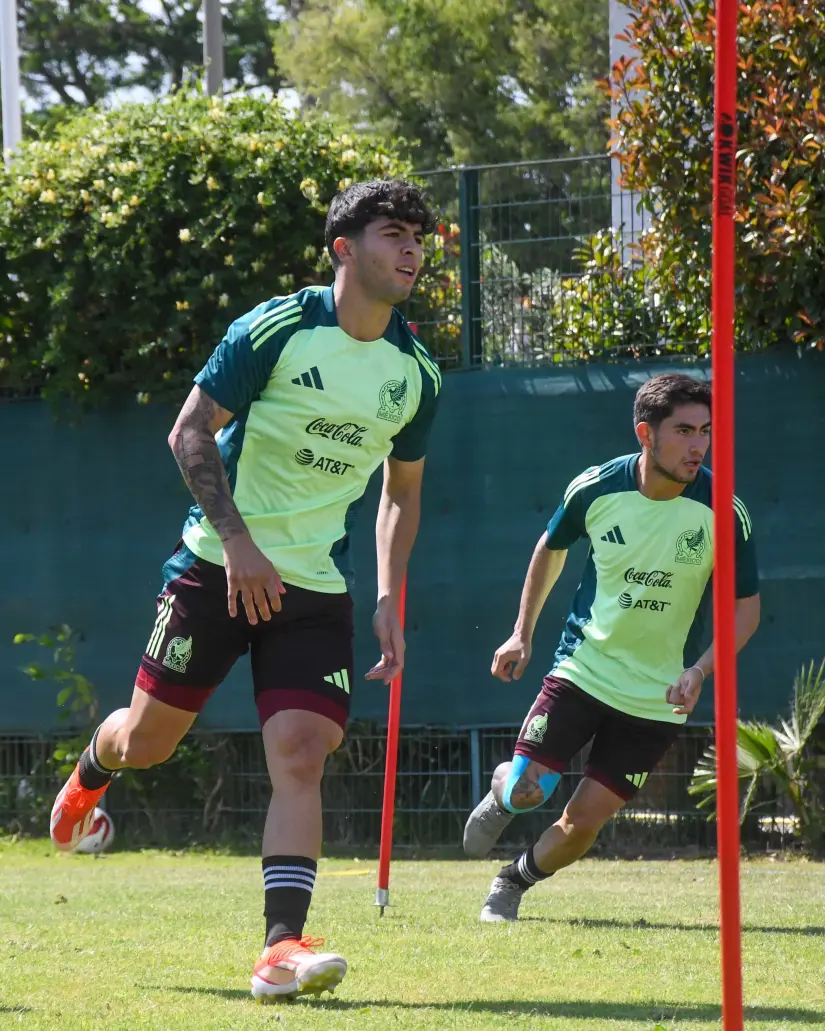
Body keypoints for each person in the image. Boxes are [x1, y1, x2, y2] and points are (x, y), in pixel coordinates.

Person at [49, 179, 442, 999]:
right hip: (213, 568)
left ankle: (279, 948)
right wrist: (237, 543)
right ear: (344, 249)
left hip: (314, 588)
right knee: (148, 743)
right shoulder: (275, 327)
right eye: (392, 233)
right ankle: (93, 767)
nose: (411, 249)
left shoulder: (415, 374)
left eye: (418, 237)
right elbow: (189, 430)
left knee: (301, 751)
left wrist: (385, 596)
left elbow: (400, 490)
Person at [463, 373, 760, 921]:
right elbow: (550, 549)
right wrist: (521, 632)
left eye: (707, 432)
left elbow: (746, 608)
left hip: (657, 697)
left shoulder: (724, 509)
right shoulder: (596, 488)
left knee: (584, 823)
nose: (699, 445)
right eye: (685, 431)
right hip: (583, 671)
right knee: (530, 791)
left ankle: (512, 881)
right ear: (645, 434)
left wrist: (700, 670)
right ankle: (505, 791)